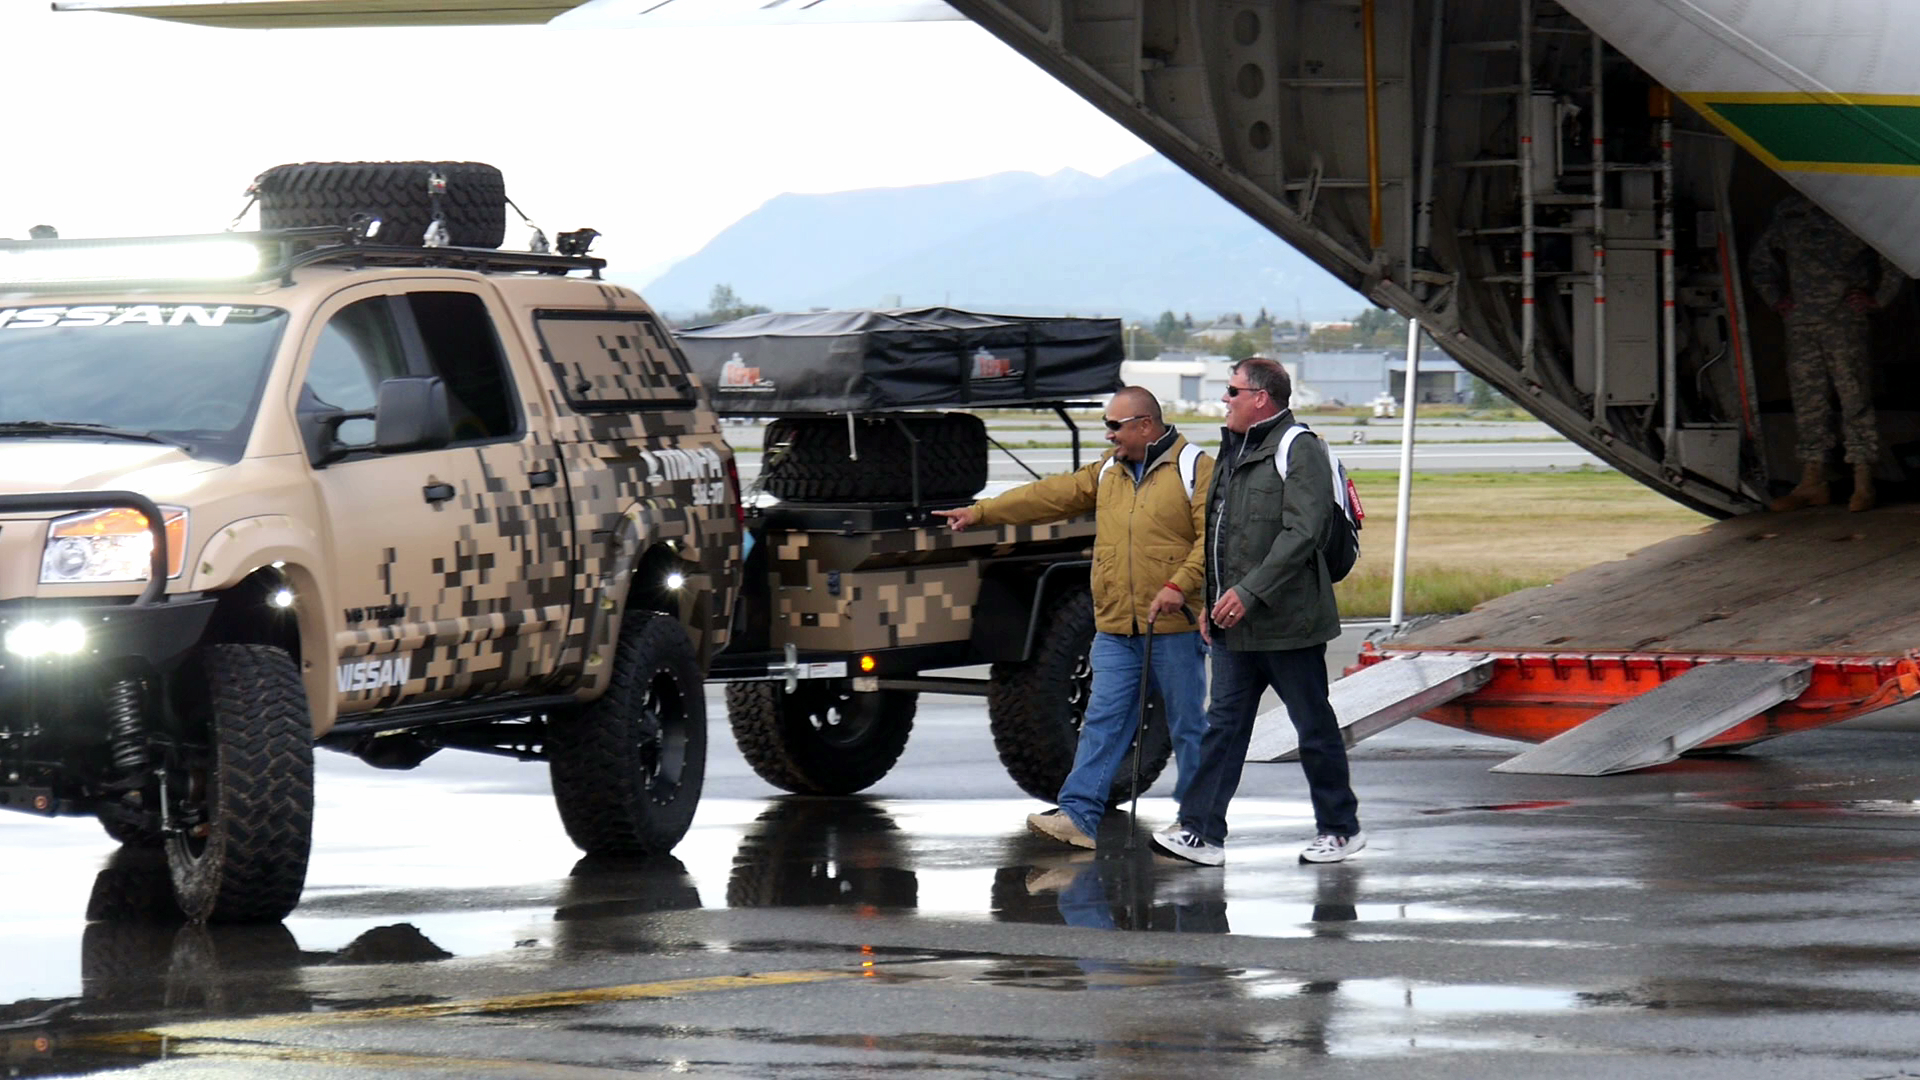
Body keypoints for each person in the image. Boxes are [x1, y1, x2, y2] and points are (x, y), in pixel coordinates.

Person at [934, 387, 1211, 849]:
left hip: (1174, 627)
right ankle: (1079, 816)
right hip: (1117, 627)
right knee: (1101, 723)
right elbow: (1049, 497)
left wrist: (1179, 585)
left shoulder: (1195, 469)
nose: (1109, 435)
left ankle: (1199, 825)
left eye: (1115, 426)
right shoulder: (1108, 471)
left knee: (1187, 728)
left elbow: (1212, 539)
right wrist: (981, 513)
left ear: (1145, 425)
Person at [1152, 357, 1363, 867]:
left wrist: (1249, 593)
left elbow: (1303, 532)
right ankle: (1202, 833)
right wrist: (1211, 603)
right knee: (1222, 728)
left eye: (1233, 391)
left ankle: (1340, 829)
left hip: (1289, 624)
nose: (1225, 399)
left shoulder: (1299, 447)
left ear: (1261, 398)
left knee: (1312, 727)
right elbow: (1220, 537)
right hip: (1234, 626)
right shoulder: (1233, 449)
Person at [1750, 192, 1905, 513]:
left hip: (1844, 321)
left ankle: (1863, 480)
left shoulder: (1856, 206)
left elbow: (1894, 257)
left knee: (1854, 397)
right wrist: (1775, 297)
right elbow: (1760, 261)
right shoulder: (1790, 209)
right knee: (1808, 401)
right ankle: (1812, 481)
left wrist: (1879, 298)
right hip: (1801, 324)